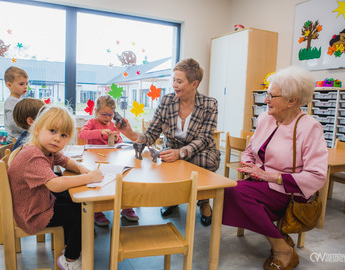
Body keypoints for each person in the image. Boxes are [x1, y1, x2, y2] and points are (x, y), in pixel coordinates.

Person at [222, 66, 328, 270]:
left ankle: (281, 249)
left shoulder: (309, 127)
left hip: (286, 190)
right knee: (226, 191)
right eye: (266, 94)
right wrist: (249, 163)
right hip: (260, 184)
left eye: (272, 96)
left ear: (292, 101)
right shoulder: (265, 119)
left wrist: (271, 176)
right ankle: (280, 241)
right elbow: (250, 150)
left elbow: (317, 175)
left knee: (233, 192)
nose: (265, 100)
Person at [117, 58, 220, 226]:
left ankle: (203, 200)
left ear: (195, 84)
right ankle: (174, 198)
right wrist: (130, 133)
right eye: (173, 80)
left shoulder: (210, 104)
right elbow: (150, 135)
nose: (174, 85)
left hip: (200, 152)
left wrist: (180, 153)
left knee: (203, 162)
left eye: (179, 81)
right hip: (170, 151)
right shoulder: (166, 101)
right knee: (165, 161)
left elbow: (205, 138)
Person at [8, 105, 103, 270]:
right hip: (32, 214)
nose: (58, 138)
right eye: (52, 131)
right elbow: (55, 185)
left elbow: (65, 160)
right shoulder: (33, 155)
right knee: (80, 213)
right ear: (37, 129)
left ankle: (69, 243)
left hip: (36, 202)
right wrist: (88, 177)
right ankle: (70, 259)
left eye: (63, 135)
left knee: (76, 202)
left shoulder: (44, 148)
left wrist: (81, 168)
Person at [79, 95, 139, 226]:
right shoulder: (92, 123)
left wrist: (117, 138)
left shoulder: (113, 125)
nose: (107, 117)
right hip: (94, 159)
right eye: (104, 114)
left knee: (120, 178)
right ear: (96, 111)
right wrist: (100, 132)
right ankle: (97, 210)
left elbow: (120, 142)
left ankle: (126, 206)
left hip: (111, 158)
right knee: (97, 182)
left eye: (110, 115)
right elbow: (82, 134)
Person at [4, 66, 28, 143]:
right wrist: (28, 128)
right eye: (21, 84)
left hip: (22, 139)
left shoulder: (19, 101)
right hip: (15, 141)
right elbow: (12, 124)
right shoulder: (11, 102)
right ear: (9, 85)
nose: (25, 87)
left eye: (26, 83)